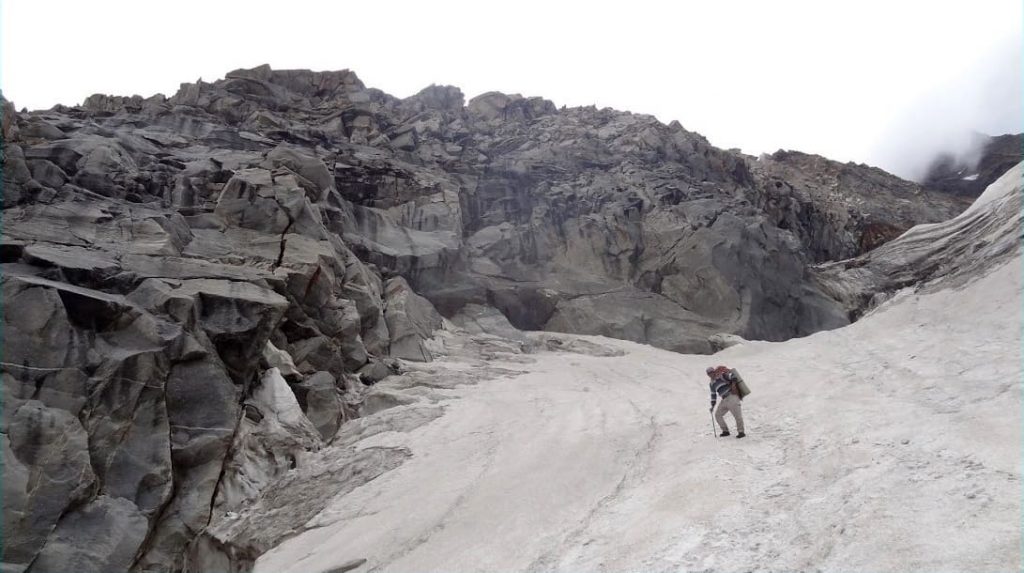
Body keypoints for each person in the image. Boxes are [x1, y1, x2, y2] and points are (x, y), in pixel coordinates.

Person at [707, 366, 745, 438]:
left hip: (732, 396)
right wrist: (712, 406)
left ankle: (741, 432)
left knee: (737, 415)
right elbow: (713, 394)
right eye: (709, 373)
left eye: (711, 372)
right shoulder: (712, 384)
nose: (710, 374)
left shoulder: (722, 376)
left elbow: (733, 376)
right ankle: (725, 431)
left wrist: (733, 385)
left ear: (714, 371)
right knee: (718, 415)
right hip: (724, 399)